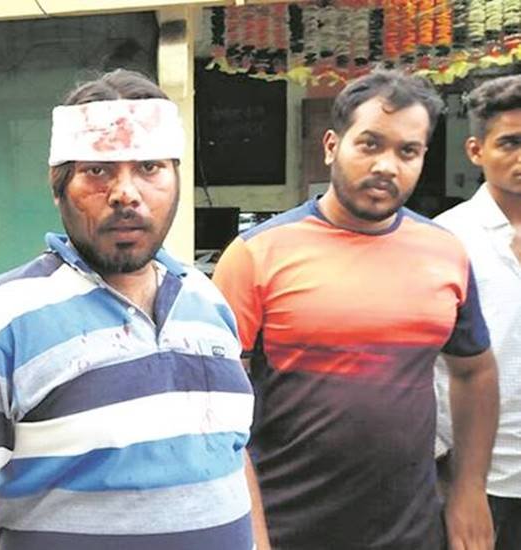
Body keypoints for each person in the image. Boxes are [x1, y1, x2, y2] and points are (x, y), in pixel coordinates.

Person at [0, 69, 262, 550]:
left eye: (150, 167)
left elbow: (233, 454)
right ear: (58, 186)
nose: (126, 193)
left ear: (177, 178)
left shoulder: (208, 301)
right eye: (98, 170)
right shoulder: (1, 320)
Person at [213, 70, 499, 550]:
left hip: (411, 530)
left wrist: (469, 490)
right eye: (370, 144)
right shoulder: (256, 255)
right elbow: (213, 405)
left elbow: (475, 372)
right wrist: (248, 531)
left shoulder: (445, 252)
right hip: (284, 528)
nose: (386, 165)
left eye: (407, 151)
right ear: (332, 146)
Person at [435, 74, 521, 550]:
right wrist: (453, 479)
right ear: (475, 150)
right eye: (510, 142)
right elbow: (426, 365)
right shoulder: (446, 240)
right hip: (477, 480)